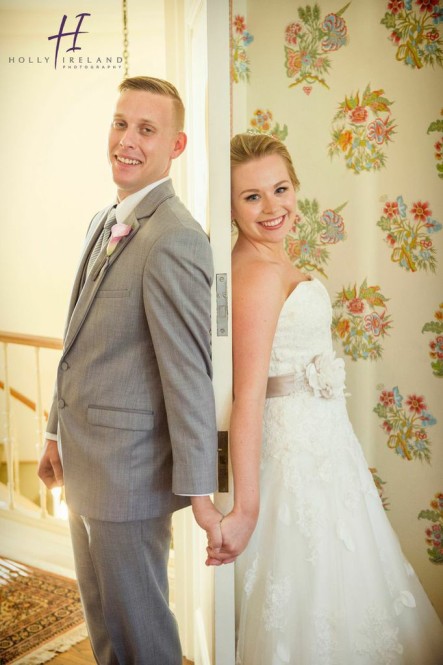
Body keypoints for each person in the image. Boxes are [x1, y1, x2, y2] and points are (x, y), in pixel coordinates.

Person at [208, 132, 443, 664]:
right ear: (230, 205)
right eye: (251, 196)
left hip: (323, 447)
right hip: (291, 457)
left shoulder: (270, 260)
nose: (273, 207)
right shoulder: (257, 276)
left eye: (281, 188)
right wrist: (246, 507)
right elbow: (245, 397)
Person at [38, 76, 223, 665]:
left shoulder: (176, 239)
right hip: (83, 462)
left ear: (177, 144)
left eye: (147, 129)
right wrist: (51, 433)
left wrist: (201, 492)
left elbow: (190, 375)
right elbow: (79, 345)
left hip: (130, 479)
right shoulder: (104, 219)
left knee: (143, 635)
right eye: (121, 123)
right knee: (105, 628)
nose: (128, 140)